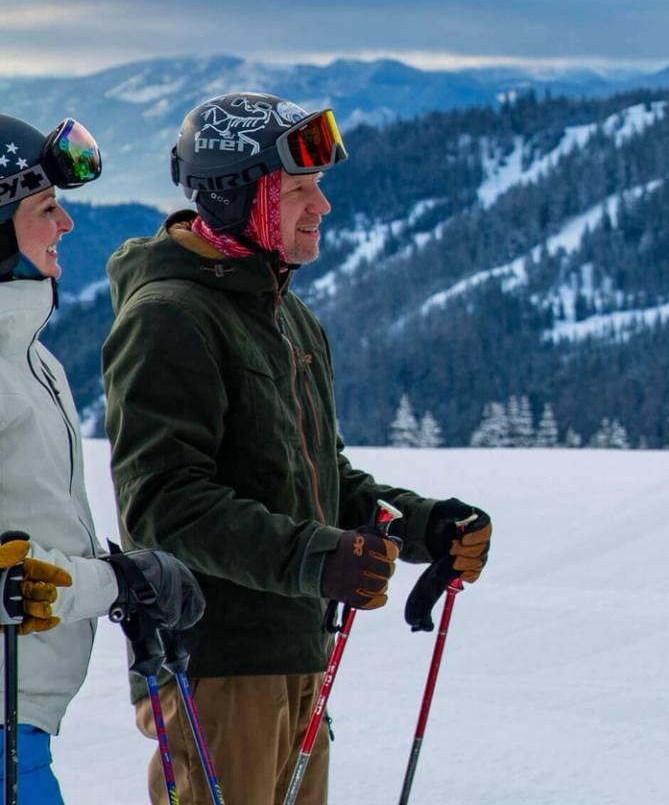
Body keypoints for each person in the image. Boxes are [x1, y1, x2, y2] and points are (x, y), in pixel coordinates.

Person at [102, 93, 494, 805]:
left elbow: (321, 481)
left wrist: (421, 525)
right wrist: (318, 558)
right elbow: (164, 505)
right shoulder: (170, 318)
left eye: (317, 186)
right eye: (298, 190)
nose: (323, 206)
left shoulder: (288, 317)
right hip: (215, 665)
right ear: (236, 198)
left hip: (297, 652)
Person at [0, 113, 202, 804]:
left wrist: (121, 579)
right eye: (44, 209)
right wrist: (112, 585)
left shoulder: (30, 358)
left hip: (20, 723)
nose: (67, 224)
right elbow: (15, 581)